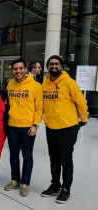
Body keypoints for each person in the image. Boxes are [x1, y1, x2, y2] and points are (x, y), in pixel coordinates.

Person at [40, 55, 88, 204]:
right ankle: (55, 185)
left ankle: (66, 190)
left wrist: (84, 118)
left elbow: (81, 101)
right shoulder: (45, 84)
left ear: (61, 66)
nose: (53, 66)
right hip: (51, 128)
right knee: (54, 159)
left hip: (67, 128)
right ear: (48, 67)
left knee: (65, 160)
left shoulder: (69, 83)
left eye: (56, 63)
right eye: (51, 64)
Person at [4, 58, 43, 197]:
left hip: (28, 127)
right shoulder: (9, 85)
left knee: (27, 156)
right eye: (15, 69)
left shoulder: (36, 86)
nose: (18, 71)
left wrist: (35, 125)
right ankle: (15, 180)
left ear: (26, 69)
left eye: (20, 68)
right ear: (12, 70)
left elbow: (39, 108)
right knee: (13, 155)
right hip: (12, 126)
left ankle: (25, 184)